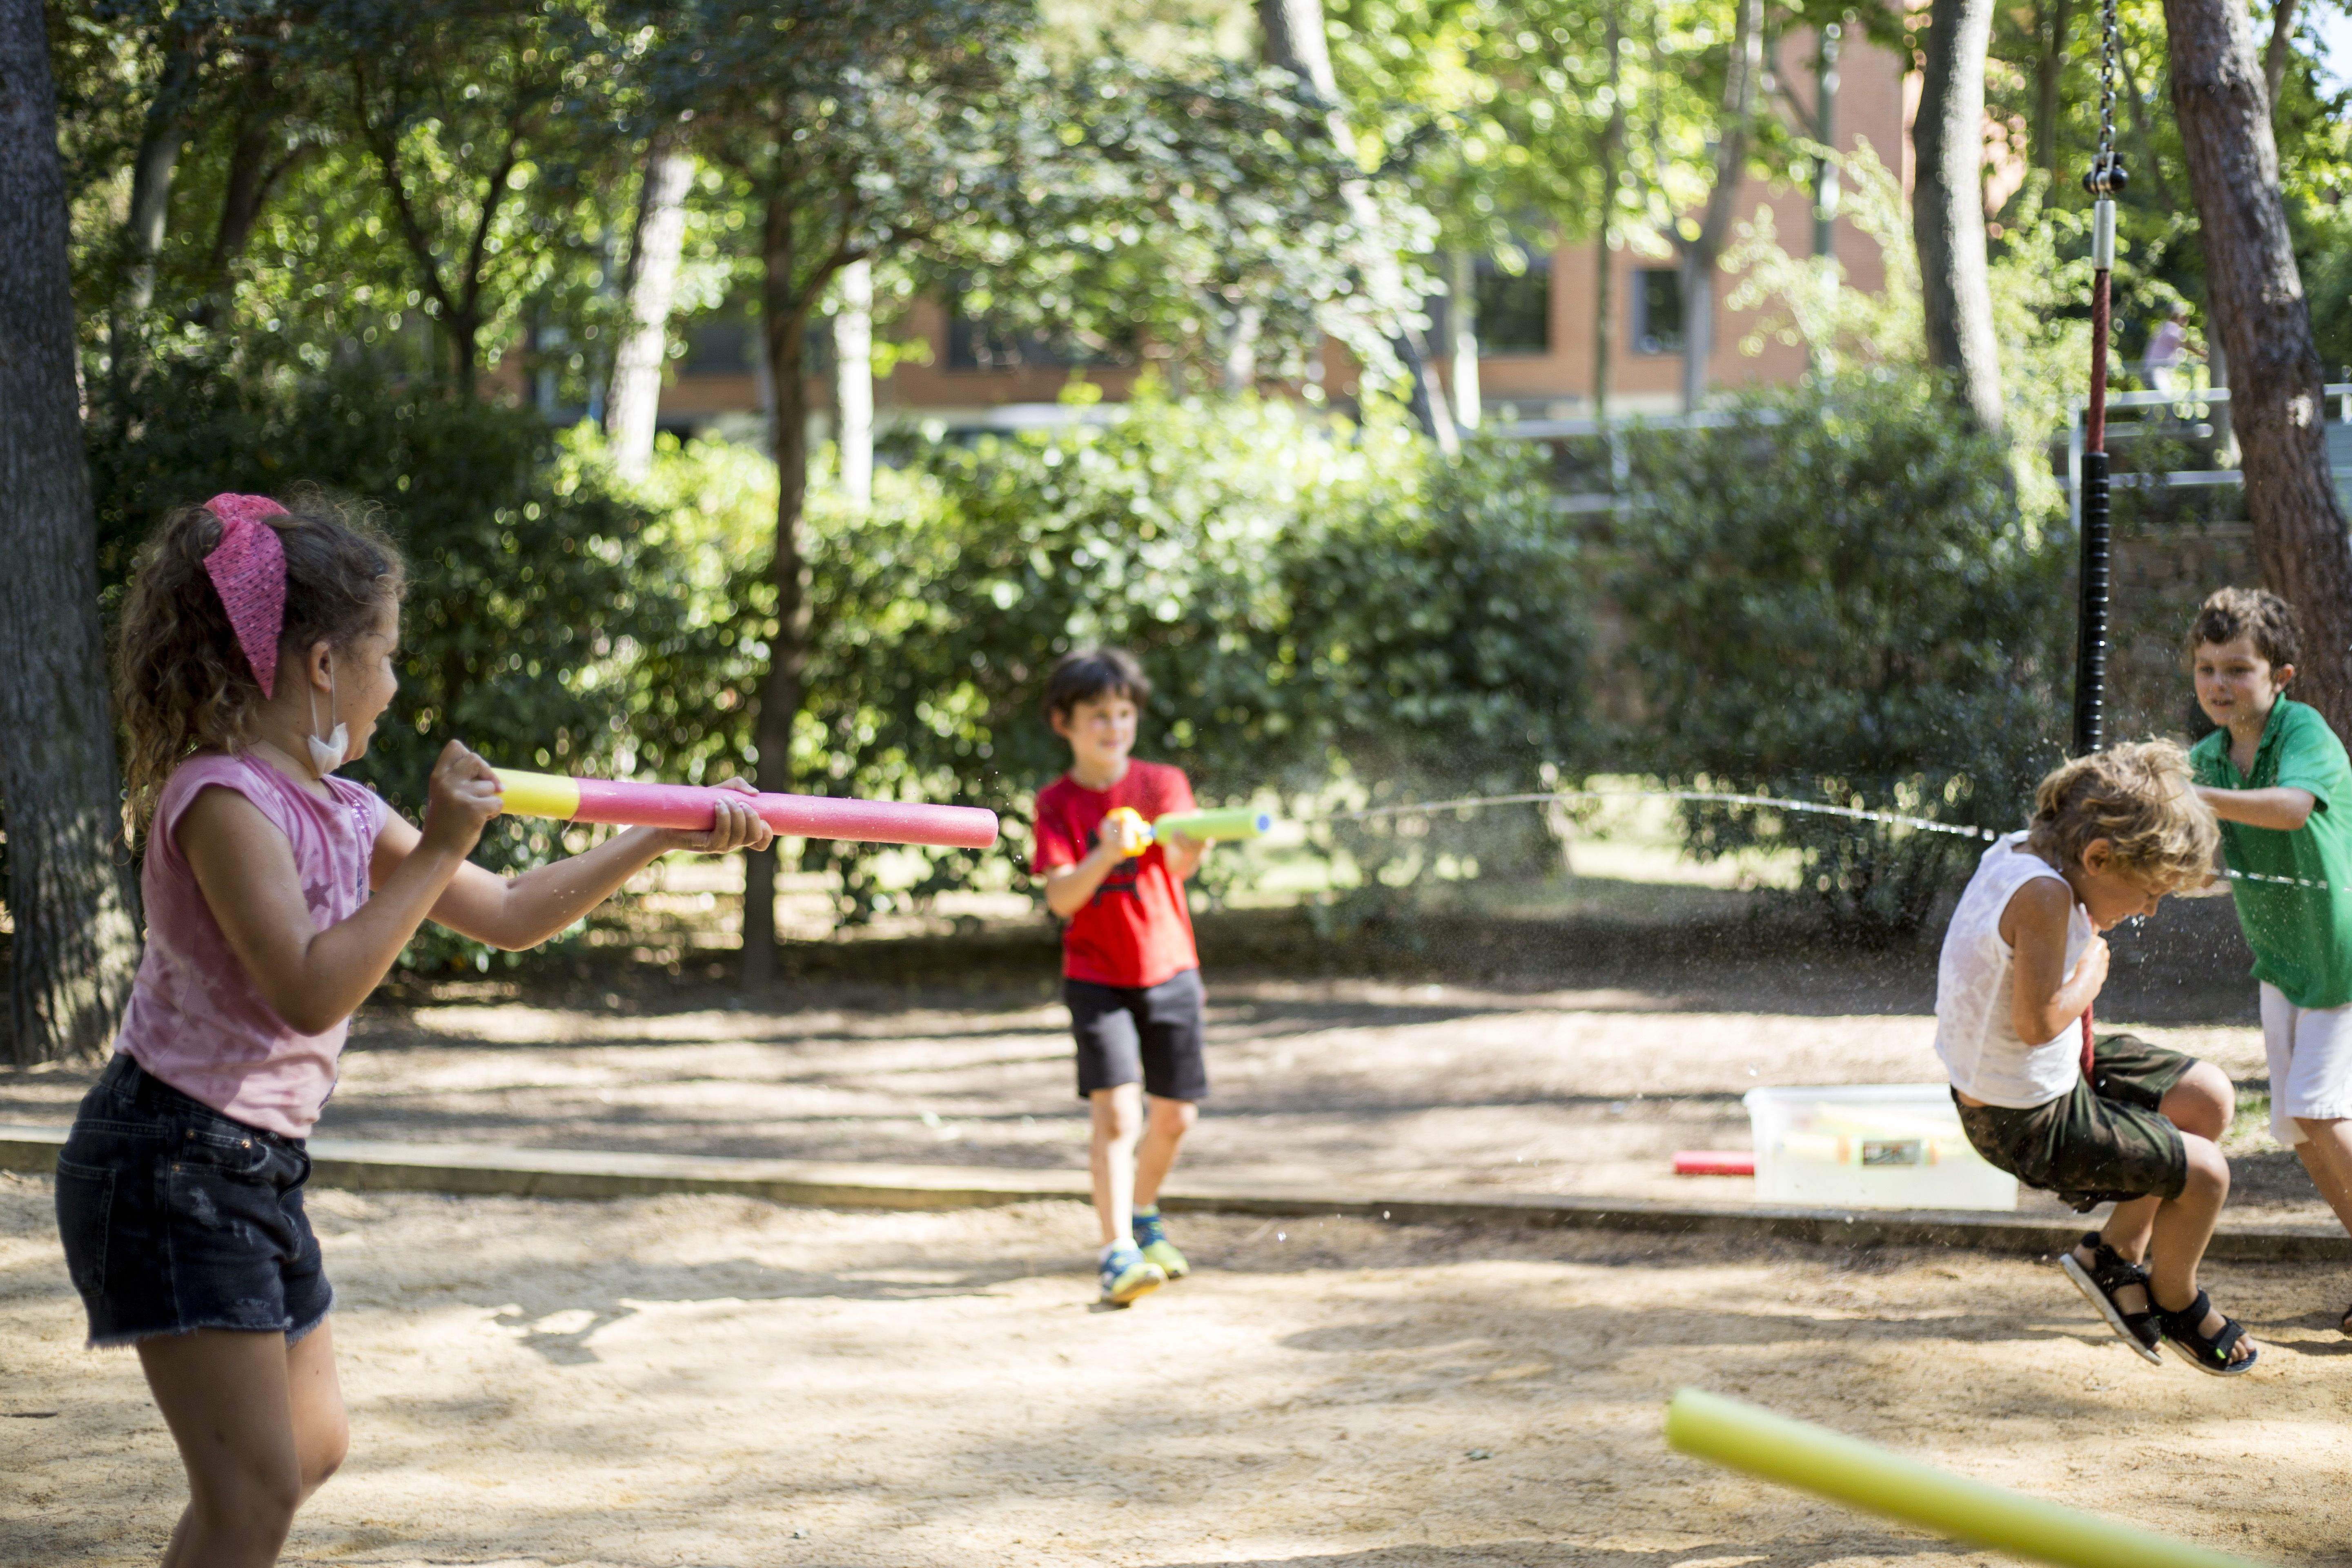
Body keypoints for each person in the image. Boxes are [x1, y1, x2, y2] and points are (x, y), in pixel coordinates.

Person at [55, 493, 773, 1567]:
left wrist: (658, 833)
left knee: (310, 1450)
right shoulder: (222, 804)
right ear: (325, 667)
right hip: (171, 1162)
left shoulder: (342, 805)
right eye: (388, 657)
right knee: (253, 1490)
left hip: (254, 1165)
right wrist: (438, 847)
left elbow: (513, 913)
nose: (397, 686)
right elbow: (308, 990)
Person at [1935, 742, 2255, 1374]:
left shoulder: (2020, 851)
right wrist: (2088, 978)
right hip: (2022, 1120)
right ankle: (2175, 1296)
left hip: (2048, 1074)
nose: (2149, 909)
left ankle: (2113, 1255)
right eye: (2148, 892)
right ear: (2098, 856)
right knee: (2207, 1175)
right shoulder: (2046, 897)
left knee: (2209, 1099)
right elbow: (2035, 1023)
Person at [2186, 587, 2352, 1335]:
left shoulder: (2303, 731)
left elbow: (2290, 809)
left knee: (2320, 1111)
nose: (2219, 685)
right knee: (2299, 1128)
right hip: (2284, 964)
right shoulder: (2208, 757)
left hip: (2343, 958)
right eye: (2206, 669)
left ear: (2279, 675)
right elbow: (2195, 862)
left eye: (2238, 670)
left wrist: (2198, 798)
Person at [1029, 648, 1210, 1307]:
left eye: (1125, 713)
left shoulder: (1164, 785)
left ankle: (1144, 1215)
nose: (1114, 726)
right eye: (1098, 715)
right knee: (1116, 1115)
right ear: (1065, 724)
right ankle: (1116, 1254)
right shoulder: (1056, 805)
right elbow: (1062, 899)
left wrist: (1189, 844)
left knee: (1177, 1116)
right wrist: (1107, 850)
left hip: (1170, 969)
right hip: (1097, 977)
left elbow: (1184, 865)